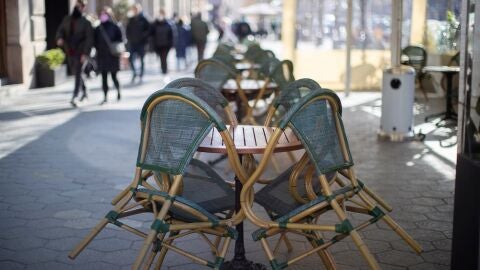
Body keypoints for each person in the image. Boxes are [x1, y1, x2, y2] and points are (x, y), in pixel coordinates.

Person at [56, 0, 93, 107]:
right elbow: (60, 30)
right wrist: (59, 38)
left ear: (83, 8)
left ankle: (75, 96)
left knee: (77, 72)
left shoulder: (86, 22)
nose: (77, 8)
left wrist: (85, 54)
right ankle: (85, 91)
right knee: (76, 72)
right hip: (70, 51)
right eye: (76, 5)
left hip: (81, 52)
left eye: (80, 6)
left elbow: (89, 39)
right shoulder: (67, 19)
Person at [94, 6, 123, 104]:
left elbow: (120, 40)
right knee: (104, 77)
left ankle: (118, 91)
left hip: (112, 56)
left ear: (109, 15)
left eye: (105, 14)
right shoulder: (98, 28)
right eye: (102, 14)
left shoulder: (115, 27)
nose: (103, 16)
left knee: (114, 76)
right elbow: (94, 41)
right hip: (102, 56)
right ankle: (105, 96)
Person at [125, 4, 150, 83]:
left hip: (141, 43)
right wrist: (129, 39)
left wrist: (144, 37)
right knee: (131, 59)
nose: (135, 11)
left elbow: (149, 30)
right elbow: (127, 30)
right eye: (134, 9)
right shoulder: (131, 19)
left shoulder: (144, 19)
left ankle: (141, 75)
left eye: (136, 9)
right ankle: (134, 73)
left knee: (142, 59)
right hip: (132, 43)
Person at [150, 9, 173, 74]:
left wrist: (171, 44)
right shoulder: (154, 24)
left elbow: (171, 35)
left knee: (164, 58)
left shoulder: (168, 24)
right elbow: (151, 34)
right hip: (158, 45)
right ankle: (163, 69)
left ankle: (164, 70)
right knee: (161, 58)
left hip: (166, 45)